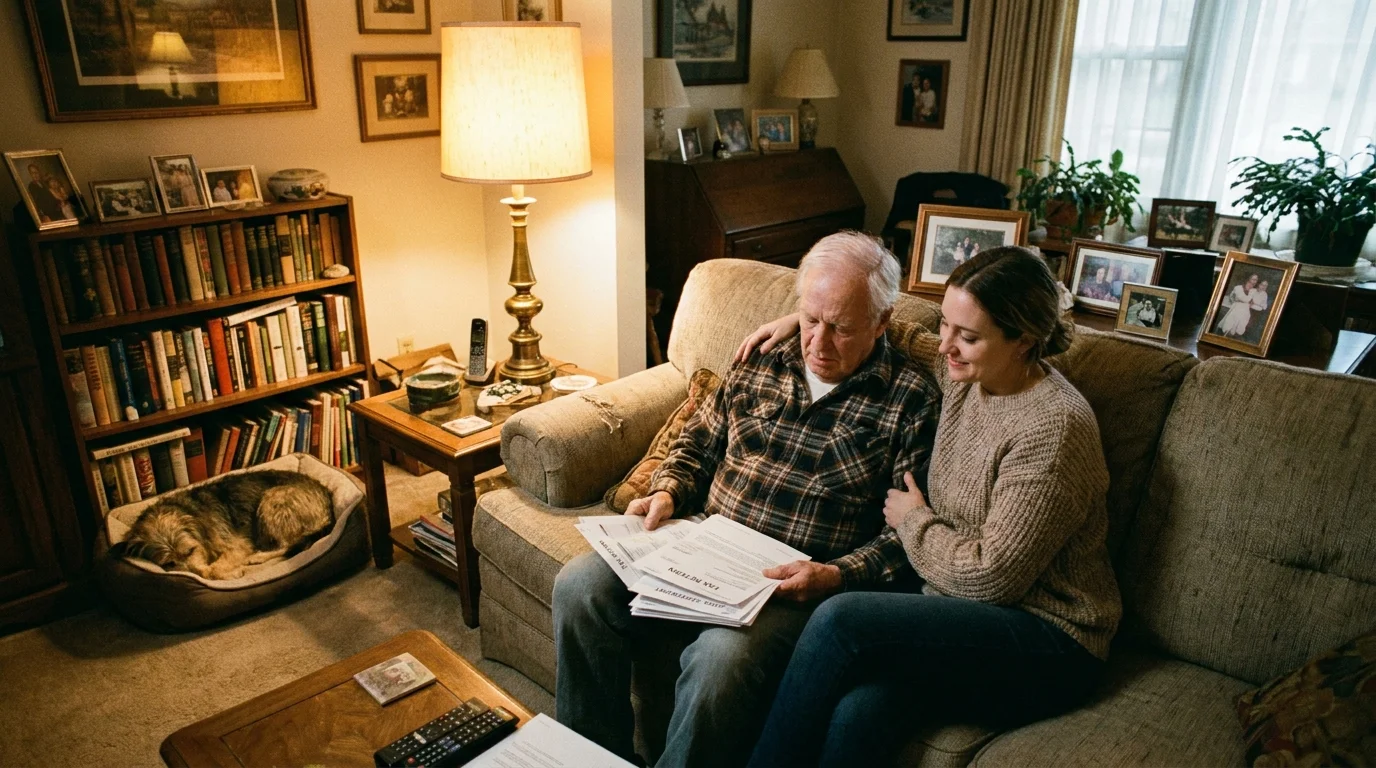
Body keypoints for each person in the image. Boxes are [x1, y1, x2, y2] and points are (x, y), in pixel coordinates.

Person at [552, 231, 941, 767]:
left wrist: (837, 575)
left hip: (789, 585)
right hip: (703, 542)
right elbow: (699, 439)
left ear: (881, 321)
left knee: (719, 661)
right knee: (577, 587)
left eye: (842, 328)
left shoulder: (911, 401)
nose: (818, 343)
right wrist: (668, 488)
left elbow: (908, 533)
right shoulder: (762, 357)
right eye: (810, 320)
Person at [739, 246, 1120, 768]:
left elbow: (993, 578)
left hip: (1047, 639)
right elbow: (892, 328)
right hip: (961, 616)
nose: (946, 346)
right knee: (859, 714)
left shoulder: (1052, 429)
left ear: (1024, 340)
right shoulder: (968, 375)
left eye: (968, 335)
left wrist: (914, 522)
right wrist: (806, 321)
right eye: (946, 325)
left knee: (839, 622)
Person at [1216, 273, 1259, 337]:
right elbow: (1244, 299)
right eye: (1253, 279)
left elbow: (1256, 302)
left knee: (1242, 319)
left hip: (1245, 311)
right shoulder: (1238, 288)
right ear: (1248, 279)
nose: (1255, 281)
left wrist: (1251, 300)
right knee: (1232, 321)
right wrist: (1249, 298)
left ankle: (1231, 334)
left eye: (1256, 280)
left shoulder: (1254, 290)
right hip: (1236, 308)